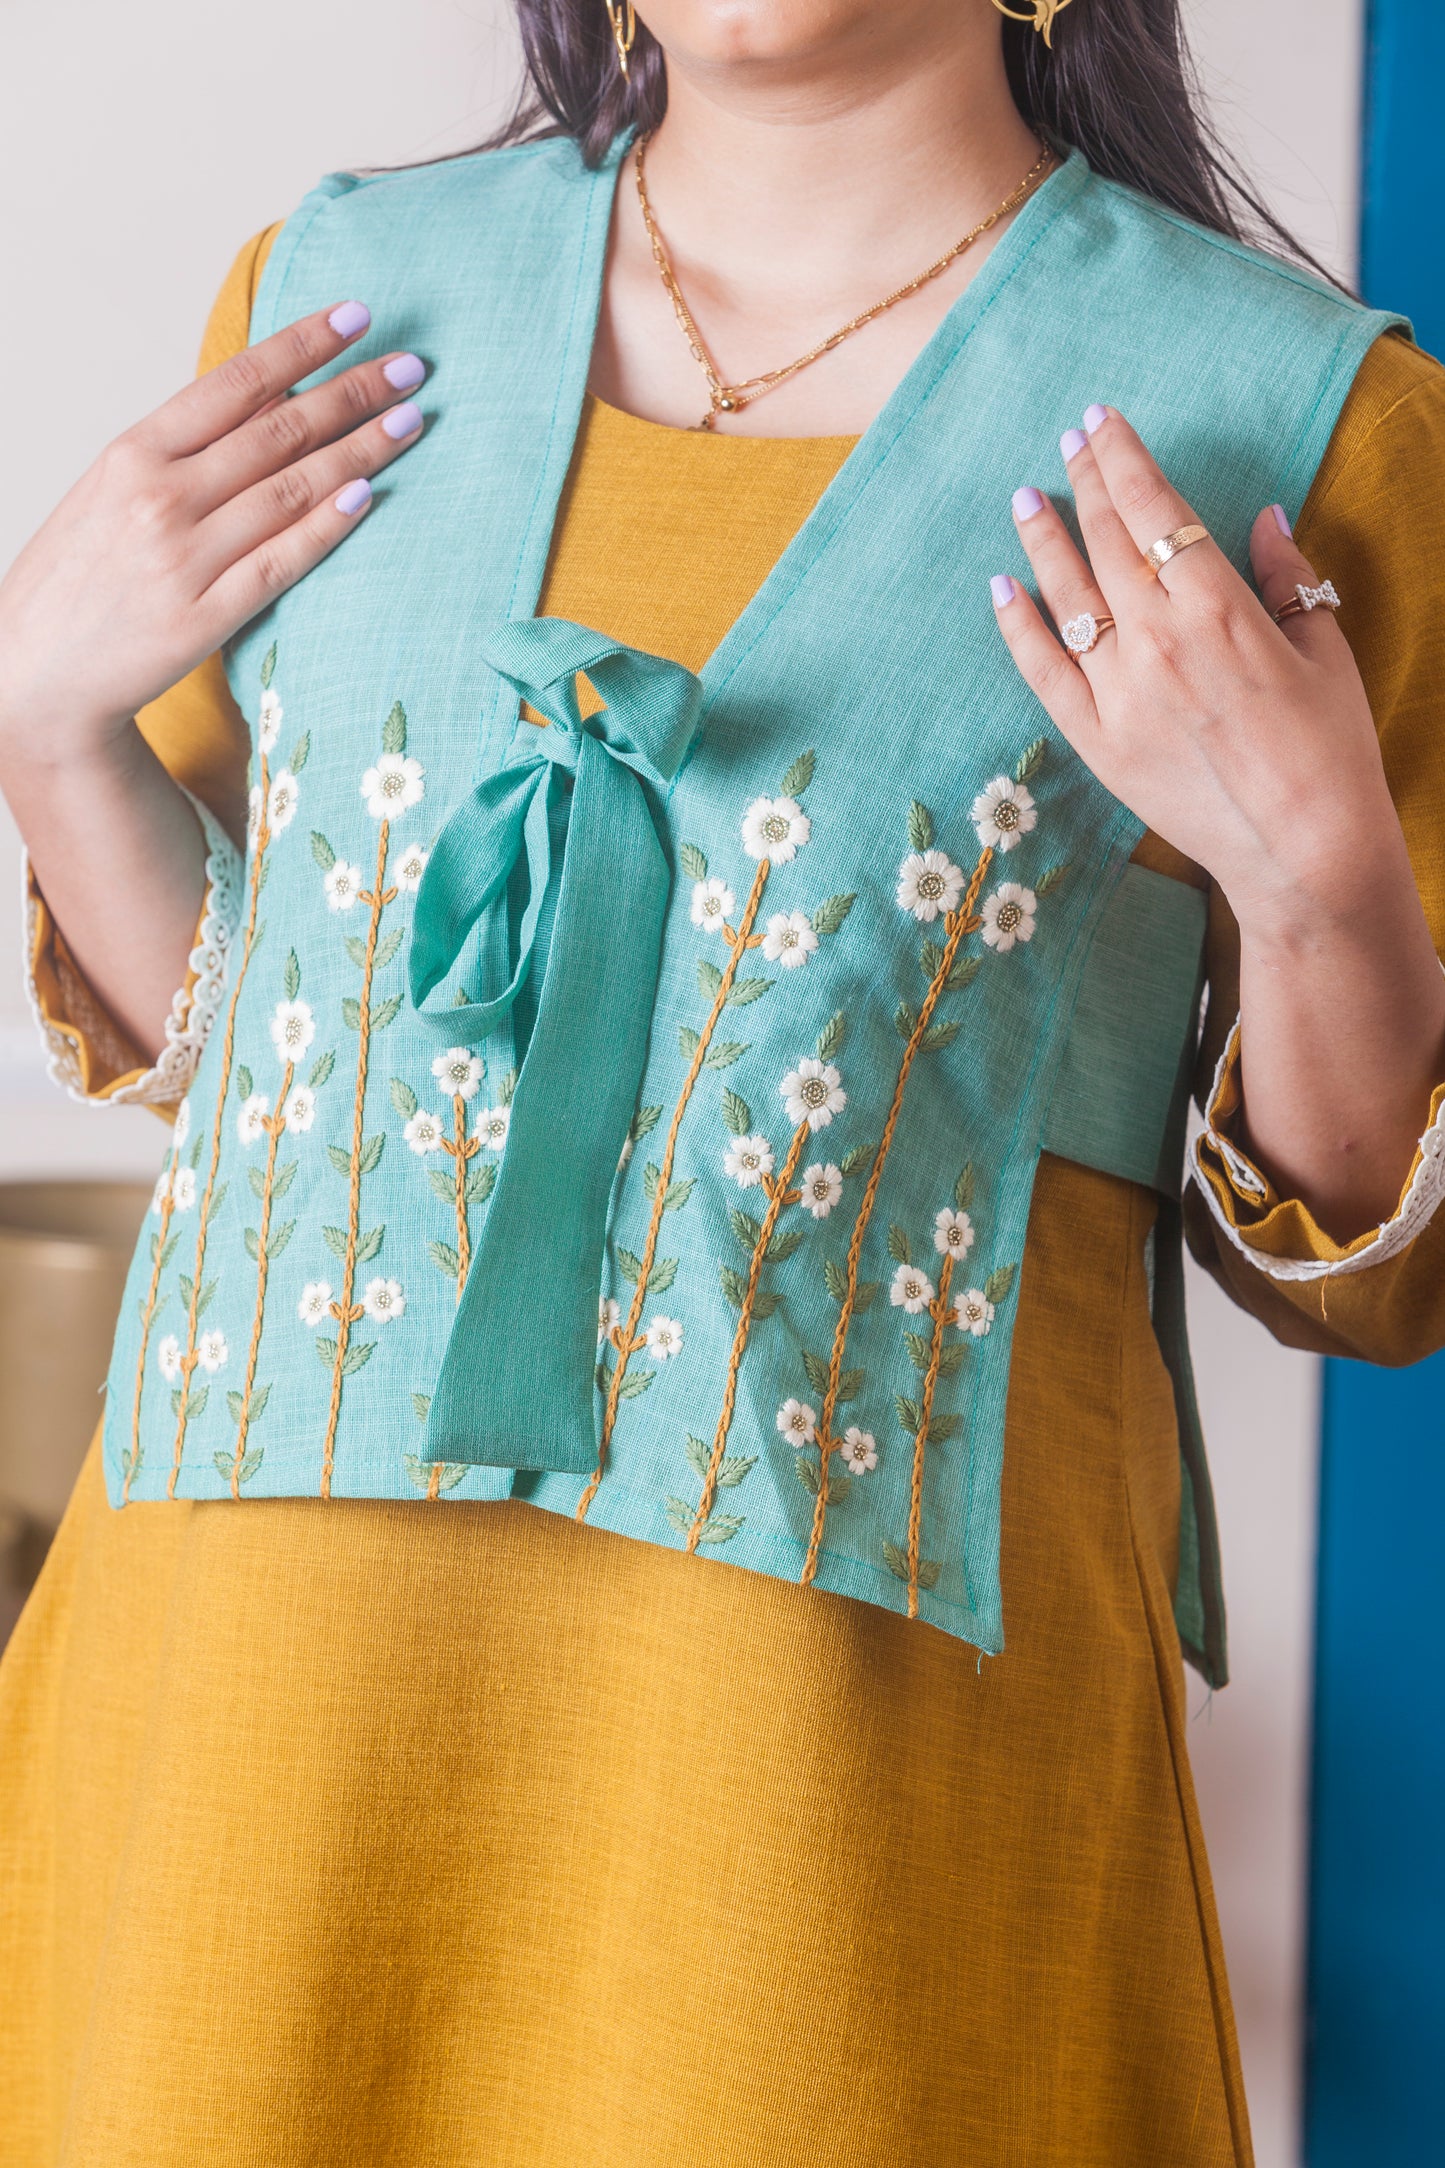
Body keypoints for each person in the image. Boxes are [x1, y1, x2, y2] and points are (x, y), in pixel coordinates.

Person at [1, 3, 1442, 2162]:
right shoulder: (332, 300)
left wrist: (1325, 887)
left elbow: (1365, 1271)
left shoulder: (1307, 429)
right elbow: (257, 1059)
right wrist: (42, 729)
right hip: (229, 1788)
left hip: (825, 1874)